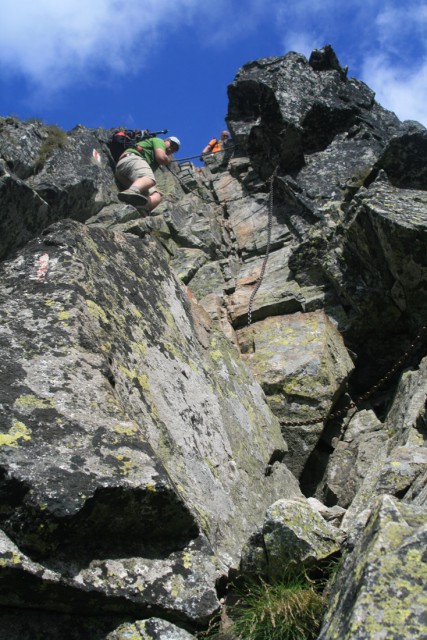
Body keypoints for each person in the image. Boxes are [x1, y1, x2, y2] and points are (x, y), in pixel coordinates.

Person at [115, 135, 181, 211]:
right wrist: (167, 161)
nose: (171, 149)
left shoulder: (153, 162)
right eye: (172, 145)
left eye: (174, 149)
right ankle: (132, 191)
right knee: (150, 179)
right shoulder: (159, 141)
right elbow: (161, 157)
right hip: (132, 160)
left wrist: (155, 189)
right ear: (166, 140)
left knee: (156, 195)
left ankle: (141, 206)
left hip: (125, 174)